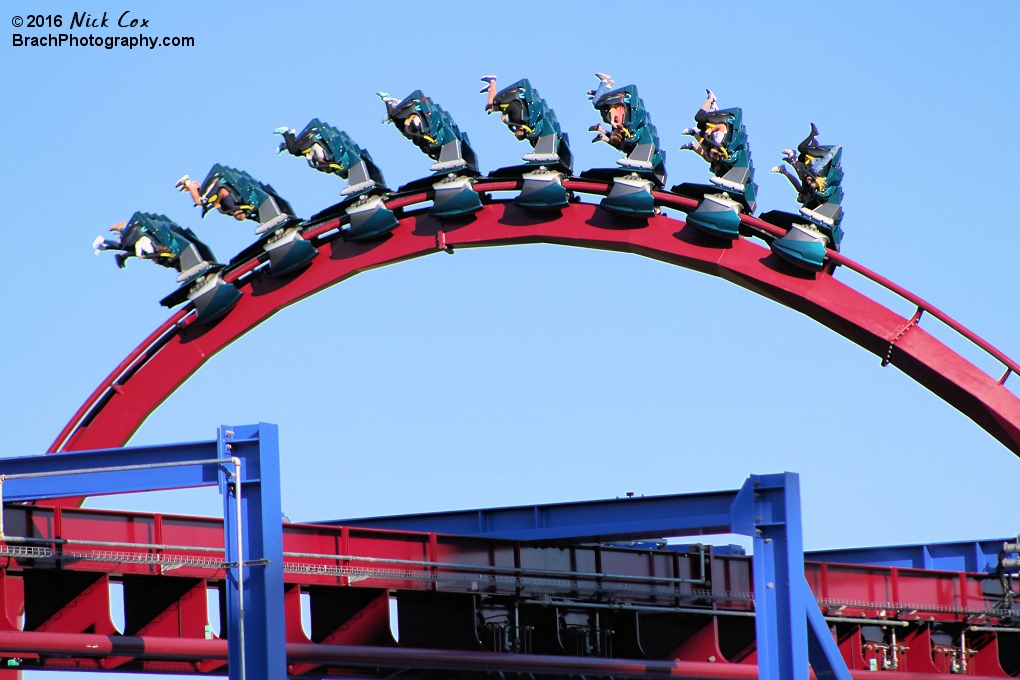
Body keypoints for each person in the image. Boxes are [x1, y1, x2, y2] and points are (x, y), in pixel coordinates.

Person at [680, 89, 731, 162]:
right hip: (717, 122)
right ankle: (710, 99)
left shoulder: (714, 147)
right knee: (698, 117)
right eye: (711, 153)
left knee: (700, 128)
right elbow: (722, 126)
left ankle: (693, 140)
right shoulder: (718, 141)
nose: (710, 152)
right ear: (716, 152)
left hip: (711, 129)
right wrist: (711, 130)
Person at [175, 175, 248, 221]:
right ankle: (188, 182)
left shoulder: (233, 206)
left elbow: (217, 202)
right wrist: (217, 202)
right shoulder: (232, 206)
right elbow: (223, 192)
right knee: (199, 201)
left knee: (202, 199)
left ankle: (189, 186)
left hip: (215, 188)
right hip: (215, 184)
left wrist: (208, 208)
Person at [480, 76, 530, 140]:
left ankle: (490, 90)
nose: (515, 133)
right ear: (520, 132)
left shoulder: (517, 123)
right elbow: (513, 105)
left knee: (493, 107)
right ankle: (492, 81)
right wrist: (504, 114)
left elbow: (510, 124)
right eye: (516, 134)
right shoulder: (519, 120)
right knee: (492, 102)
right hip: (514, 98)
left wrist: (510, 126)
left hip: (511, 101)